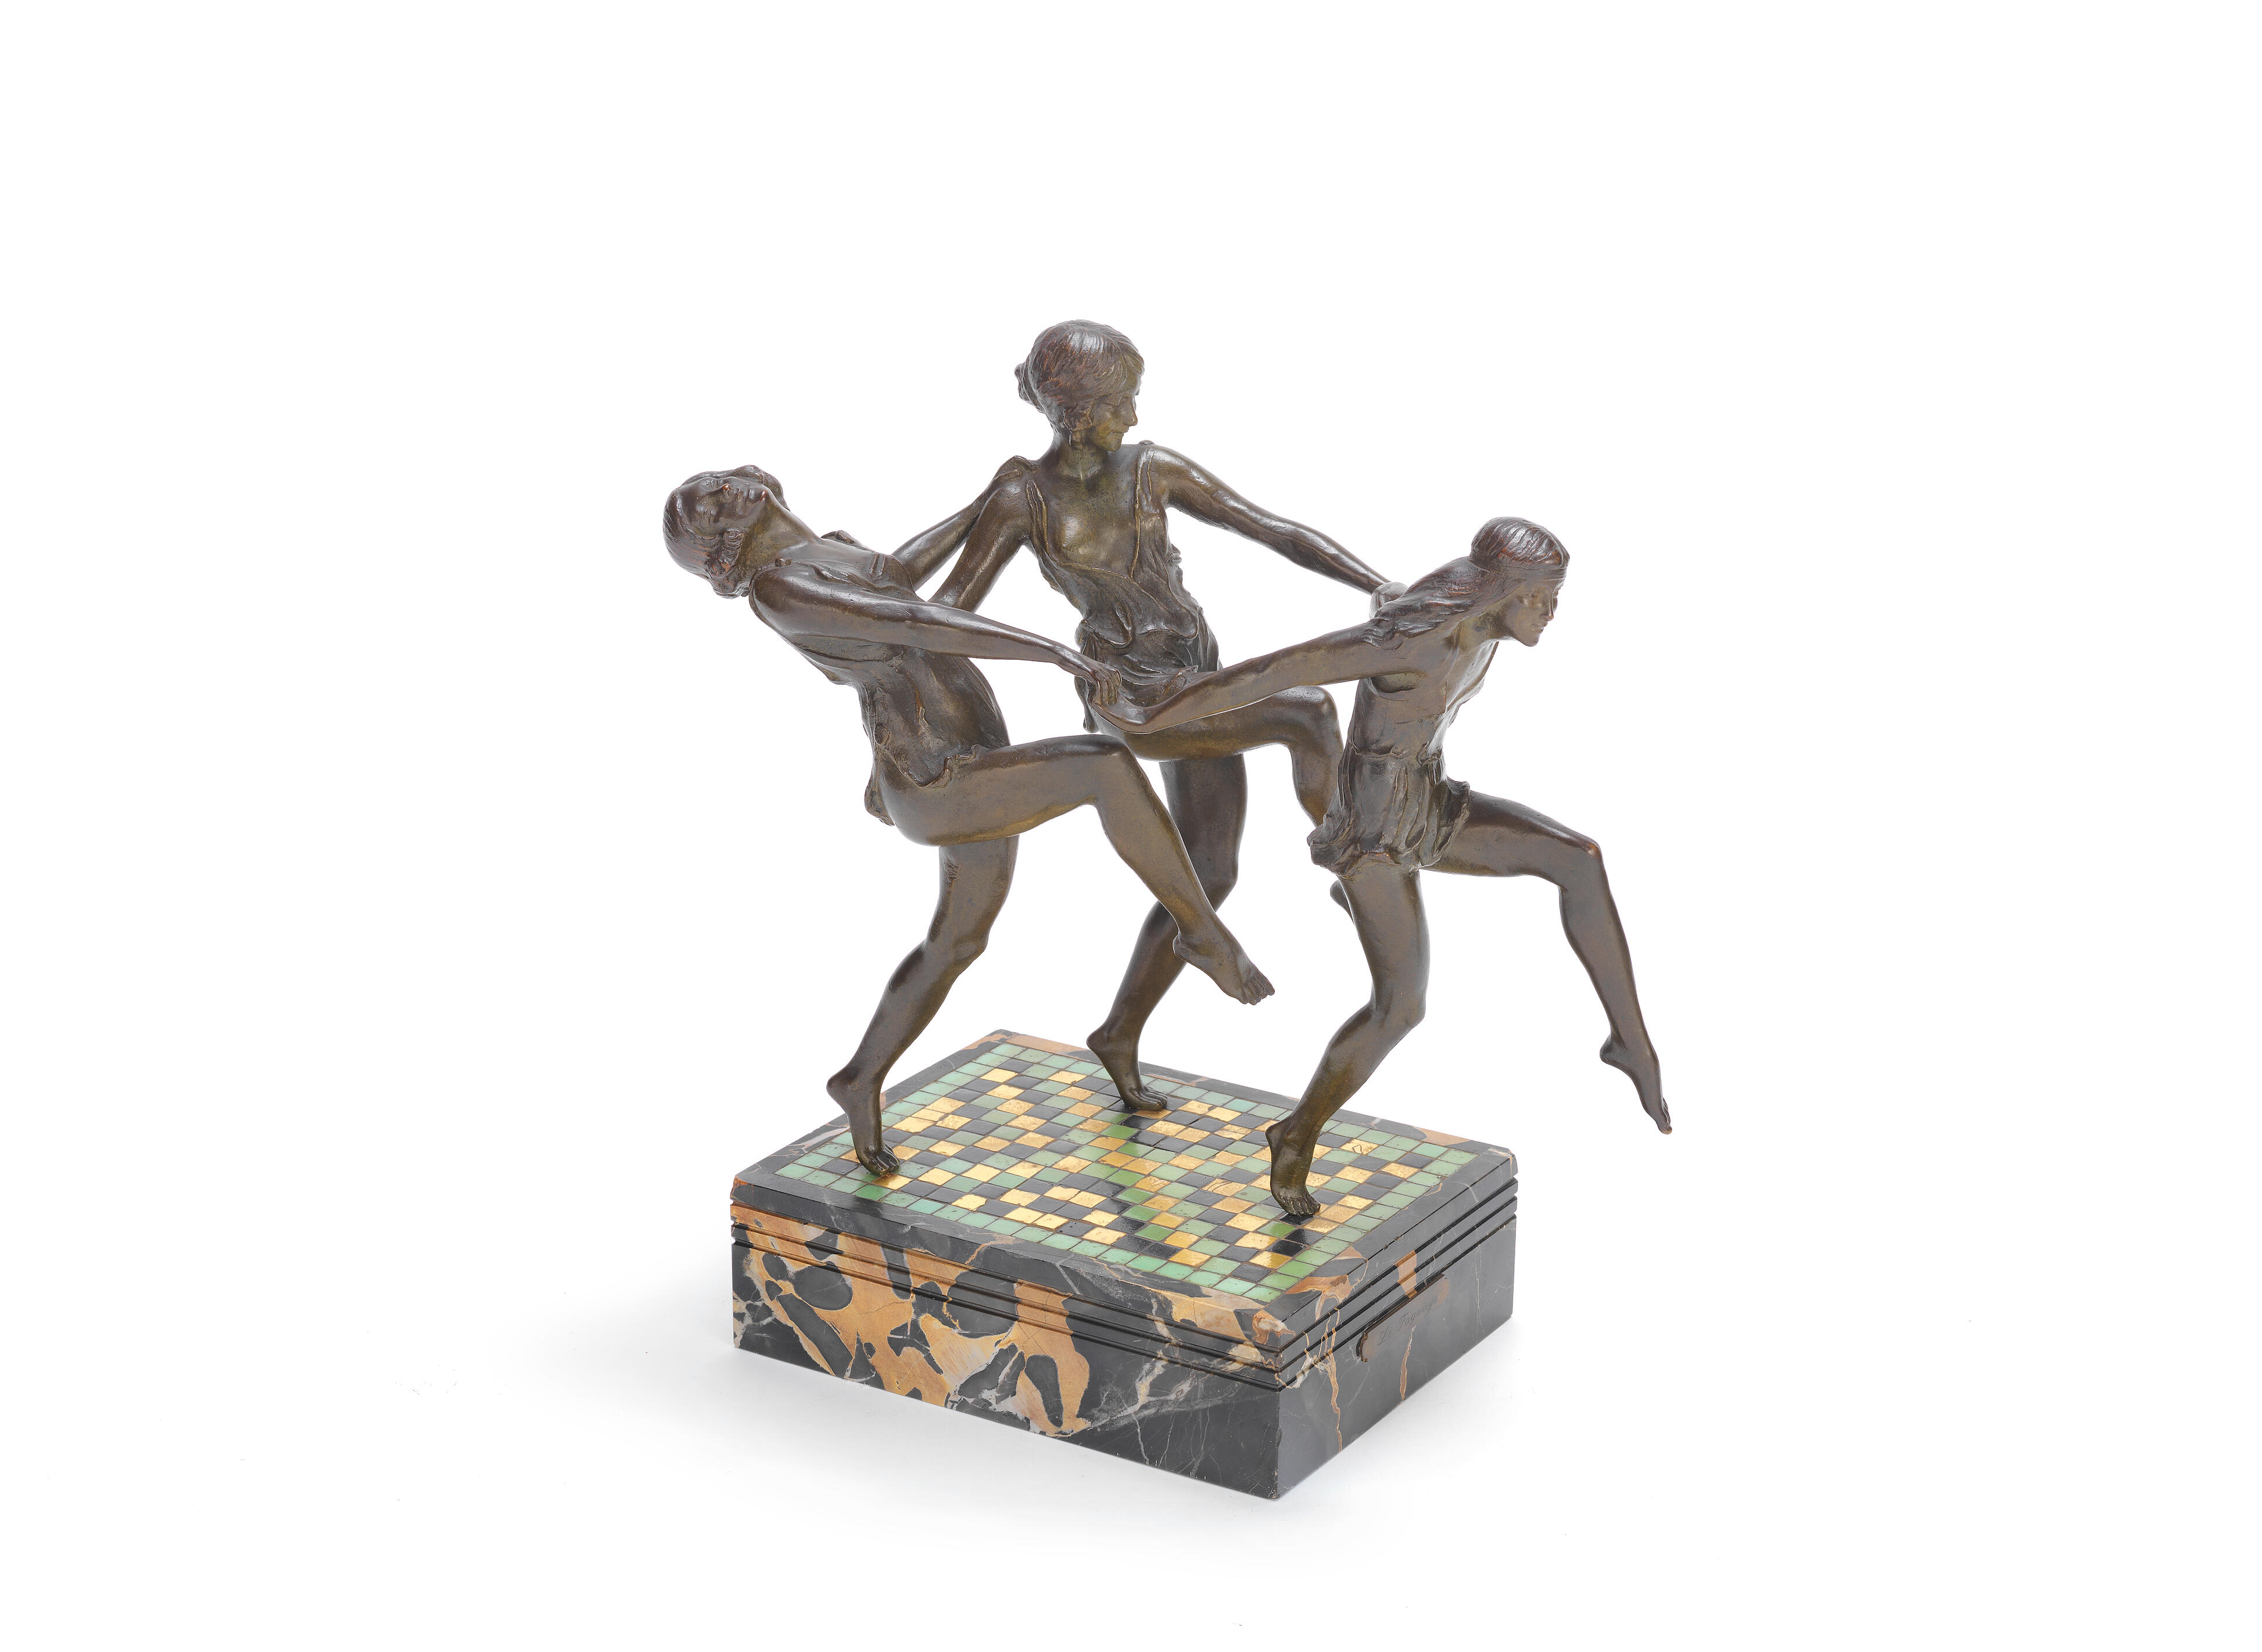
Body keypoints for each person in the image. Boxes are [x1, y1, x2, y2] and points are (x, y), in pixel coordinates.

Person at [663, 465, 1272, 1176]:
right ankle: (1201, 933)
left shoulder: (826, 549)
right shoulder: (780, 590)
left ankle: (858, 1078)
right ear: (721, 547)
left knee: (956, 942)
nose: (724, 492)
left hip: (970, 751)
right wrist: (1054, 652)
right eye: (710, 510)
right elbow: (916, 621)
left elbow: (898, 576)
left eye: (715, 484)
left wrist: (987, 501)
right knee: (1103, 765)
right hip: (938, 777)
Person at [1101, 516, 1668, 1216]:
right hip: (1373, 832)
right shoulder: (1408, 641)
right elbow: (1271, 673)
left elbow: (1399, 596)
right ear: (1504, 591)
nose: (1551, 612)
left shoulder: (1474, 623)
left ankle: (1629, 1043)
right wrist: (1150, 715)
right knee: (1401, 1006)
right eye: (1541, 597)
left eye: (1555, 596)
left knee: (1578, 859)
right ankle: (1294, 1135)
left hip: (1429, 801)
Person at [923, 320, 1396, 1109]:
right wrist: (915, 719)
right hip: (1134, 697)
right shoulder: (1021, 496)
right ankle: (1350, 861)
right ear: (1079, 412)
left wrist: (1379, 585)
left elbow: (1273, 529)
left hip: (1197, 675)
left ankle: (1118, 1032)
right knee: (1308, 711)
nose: (1134, 418)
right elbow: (946, 617)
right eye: (1122, 403)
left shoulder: (1151, 468)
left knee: (1213, 872)